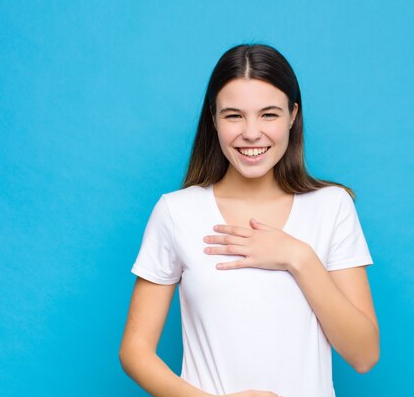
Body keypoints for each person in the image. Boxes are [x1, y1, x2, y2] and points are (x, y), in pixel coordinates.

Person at [119, 43, 379, 397]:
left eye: (269, 114)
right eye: (234, 115)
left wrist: (298, 257)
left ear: (292, 115)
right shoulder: (176, 211)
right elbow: (135, 351)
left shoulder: (331, 207)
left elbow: (364, 355)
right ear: (214, 119)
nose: (252, 133)